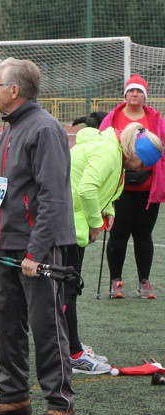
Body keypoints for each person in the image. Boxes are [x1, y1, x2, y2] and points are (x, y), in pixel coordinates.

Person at [0, 58, 76, 415]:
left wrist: (36, 252)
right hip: (7, 246)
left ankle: (61, 405)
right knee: (8, 326)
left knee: (46, 325)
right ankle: (14, 398)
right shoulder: (11, 128)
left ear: (14, 90)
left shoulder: (45, 129)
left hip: (38, 248)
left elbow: (53, 197)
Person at [65, 122, 163, 375]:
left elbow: (103, 188)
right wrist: (94, 223)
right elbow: (87, 189)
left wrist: (107, 210)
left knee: (67, 288)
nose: (141, 170)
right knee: (66, 290)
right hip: (65, 224)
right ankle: (72, 354)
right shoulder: (109, 152)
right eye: (143, 164)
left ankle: (69, 346)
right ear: (135, 154)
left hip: (70, 221)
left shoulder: (114, 150)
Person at [99, 74, 165, 299]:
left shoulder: (156, 119)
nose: (135, 94)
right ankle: (115, 282)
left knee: (144, 235)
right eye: (131, 91)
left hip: (148, 188)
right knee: (118, 234)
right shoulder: (113, 118)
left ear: (145, 96)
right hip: (120, 188)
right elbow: (102, 146)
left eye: (139, 91)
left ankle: (144, 282)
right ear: (125, 94)